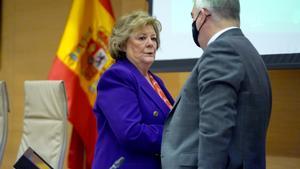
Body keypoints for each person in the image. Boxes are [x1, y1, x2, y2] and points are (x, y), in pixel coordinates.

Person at [161, 0, 272, 169]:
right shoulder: (249, 51)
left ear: (202, 16)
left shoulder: (221, 51)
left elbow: (215, 130)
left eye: (192, 17)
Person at [92, 11, 174, 169]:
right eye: (142, 38)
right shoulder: (116, 76)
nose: (150, 43)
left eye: (153, 38)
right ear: (122, 45)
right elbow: (131, 132)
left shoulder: (156, 80)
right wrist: (176, 136)